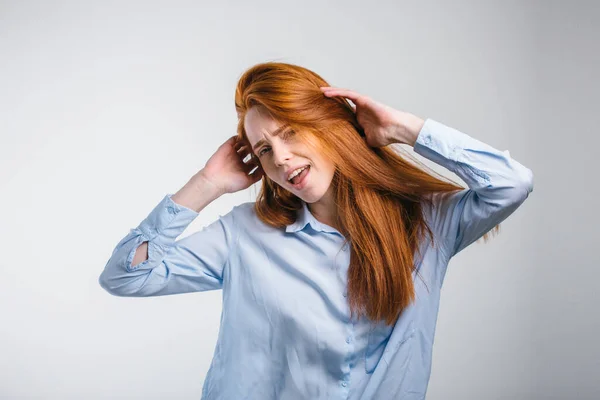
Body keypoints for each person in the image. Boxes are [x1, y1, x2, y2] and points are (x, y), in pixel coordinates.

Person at [99, 62, 534, 399]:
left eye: (291, 132)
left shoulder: (427, 222)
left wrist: (401, 129)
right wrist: (206, 184)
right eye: (265, 149)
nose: (282, 159)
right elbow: (125, 275)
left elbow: (511, 184)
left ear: (331, 129)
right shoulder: (243, 235)